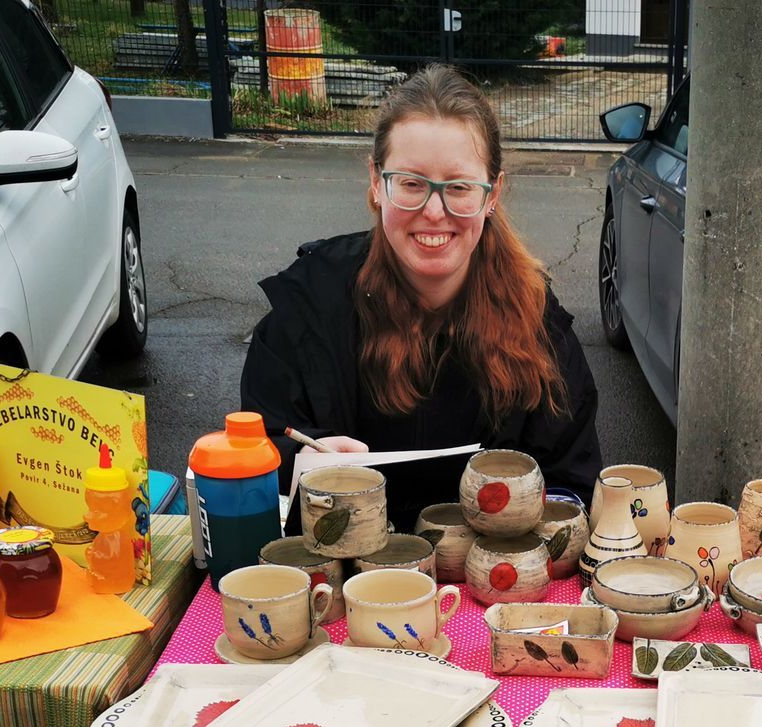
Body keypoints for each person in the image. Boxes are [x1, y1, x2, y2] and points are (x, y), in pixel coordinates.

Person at [241, 65, 603, 533]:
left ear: (492, 194)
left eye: (459, 187)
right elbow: (254, 451)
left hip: (487, 571)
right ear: (377, 182)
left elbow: (573, 483)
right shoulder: (307, 308)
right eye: (411, 184)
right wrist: (298, 461)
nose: (434, 211)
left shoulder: (537, 323)